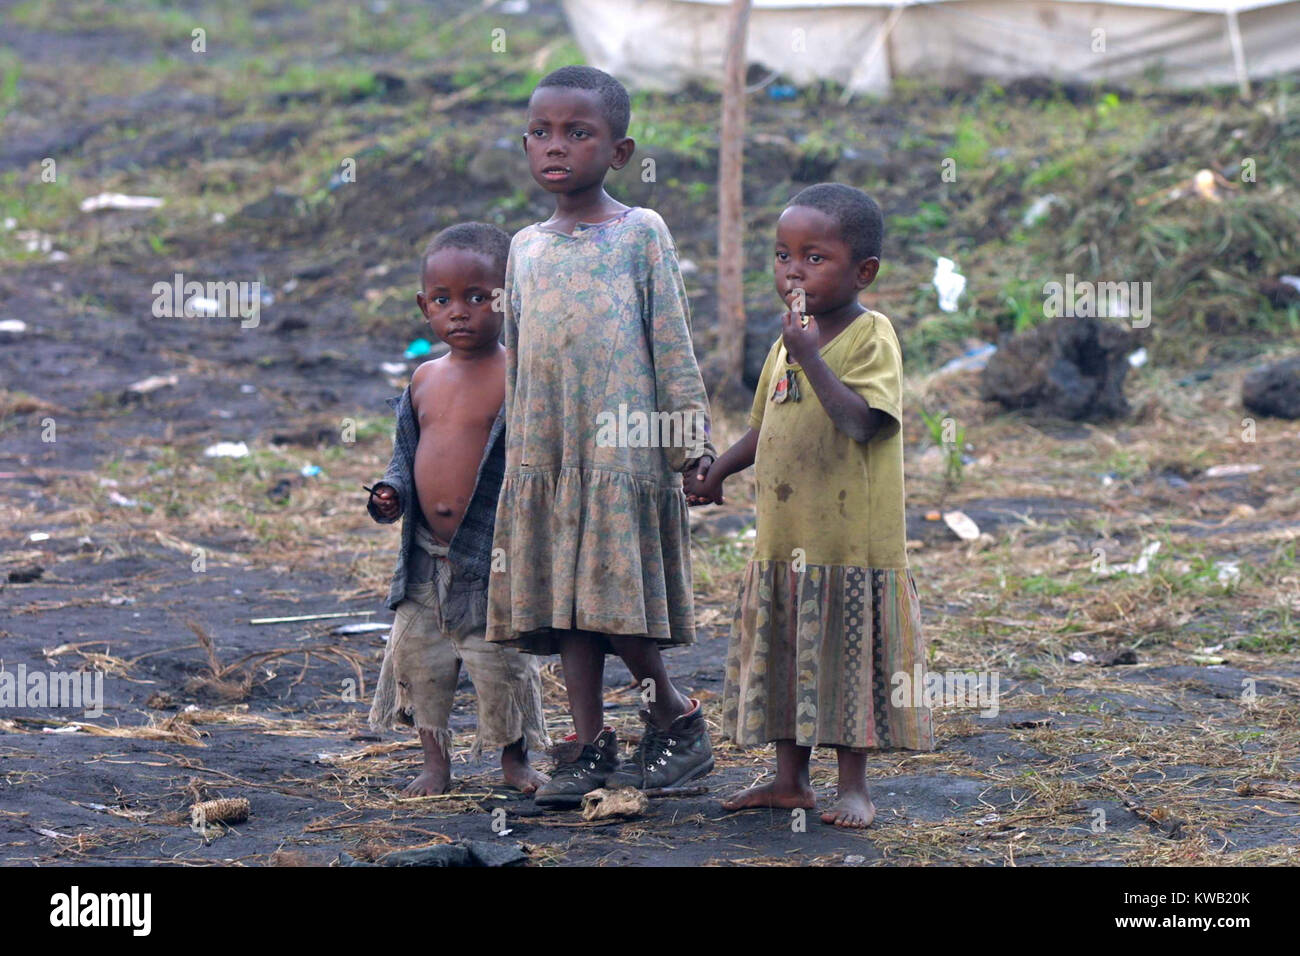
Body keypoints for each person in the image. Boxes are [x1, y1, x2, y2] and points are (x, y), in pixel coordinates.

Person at [485, 66, 717, 808]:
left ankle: (674, 714)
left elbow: (671, 344)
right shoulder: (523, 247)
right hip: (548, 459)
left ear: (619, 151)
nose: (557, 147)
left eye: (578, 133)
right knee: (564, 612)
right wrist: (513, 457)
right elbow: (517, 361)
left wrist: (690, 446)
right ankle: (587, 745)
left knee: (618, 611)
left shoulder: (639, 232)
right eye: (542, 133)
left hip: (624, 456)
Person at [689, 183, 935, 828]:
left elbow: (864, 424)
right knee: (788, 653)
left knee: (848, 659)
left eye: (814, 257)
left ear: (864, 271)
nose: (793, 271)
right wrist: (718, 472)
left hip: (849, 544)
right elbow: (766, 426)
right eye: (782, 256)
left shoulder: (869, 335)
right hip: (784, 541)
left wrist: (809, 356)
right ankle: (789, 779)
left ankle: (853, 785)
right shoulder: (786, 342)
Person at [367, 222, 548, 796]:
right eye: (443, 300)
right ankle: (434, 764)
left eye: (478, 297)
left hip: (491, 557)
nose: (460, 312)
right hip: (426, 559)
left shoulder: (517, 375)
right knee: (421, 664)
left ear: (507, 299)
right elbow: (404, 455)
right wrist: (390, 492)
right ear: (425, 307)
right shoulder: (423, 379)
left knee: (500, 665)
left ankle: (514, 761)